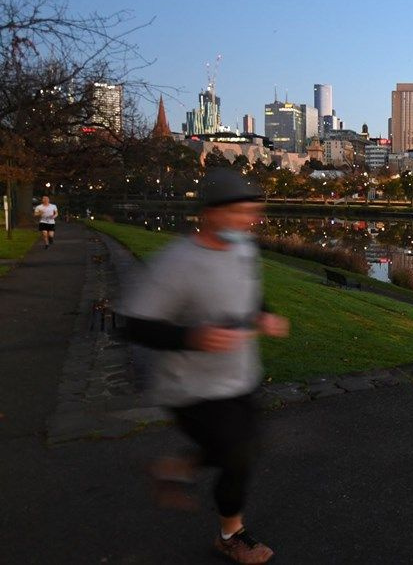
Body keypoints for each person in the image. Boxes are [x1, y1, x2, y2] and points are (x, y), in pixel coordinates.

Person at [119, 168, 289, 564]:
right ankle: (231, 535)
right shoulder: (176, 262)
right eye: (239, 212)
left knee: (247, 445)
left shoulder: (245, 249)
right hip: (190, 386)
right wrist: (191, 337)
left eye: (253, 212)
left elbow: (251, 295)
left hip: (240, 374)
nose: (249, 221)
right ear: (210, 213)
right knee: (238, 455)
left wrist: (265, 315)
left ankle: (175, 467)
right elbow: (135, 325)